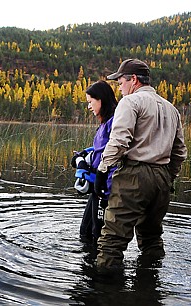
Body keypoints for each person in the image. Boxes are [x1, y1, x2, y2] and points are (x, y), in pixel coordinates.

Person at [94, 58, 187, 269]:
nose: (120, 90)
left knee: (112, 241)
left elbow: (119, 141)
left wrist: (102, 170)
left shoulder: (130, 102)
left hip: (134, 177)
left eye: (120, 84)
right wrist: (167, 177)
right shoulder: (171, 108)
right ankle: (150, 287)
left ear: (133, 80)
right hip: (162, 179)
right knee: (152, 238)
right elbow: (180, 152)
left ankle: (104, 293)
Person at [75, 80, 118, 242]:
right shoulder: (105, 123)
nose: (89, 107)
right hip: (96, 186)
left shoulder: (114, 123)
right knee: (85, 232)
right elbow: (101, 150)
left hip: (105, 188)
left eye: (90, 102)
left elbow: (116, 153)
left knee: (97, 235)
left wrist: (105, 192)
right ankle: (87, 265)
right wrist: (82, 157)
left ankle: (98, 266)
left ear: (100, 99)